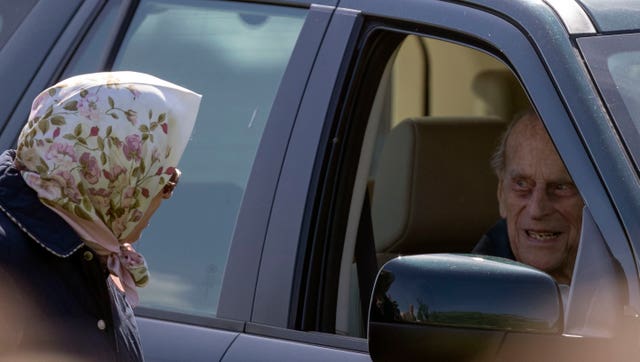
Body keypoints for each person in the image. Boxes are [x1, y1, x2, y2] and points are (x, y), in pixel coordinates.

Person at [0, 71, 201, 360]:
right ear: (113, 180)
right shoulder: (7, 260)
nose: (163, 197)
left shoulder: (92, 250)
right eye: (161, 183)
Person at [473, 110, 584, 285]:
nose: (537, 210)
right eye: (522, 185)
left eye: (561, 187)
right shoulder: (473, 293)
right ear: (501, 194)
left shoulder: (628, 274)